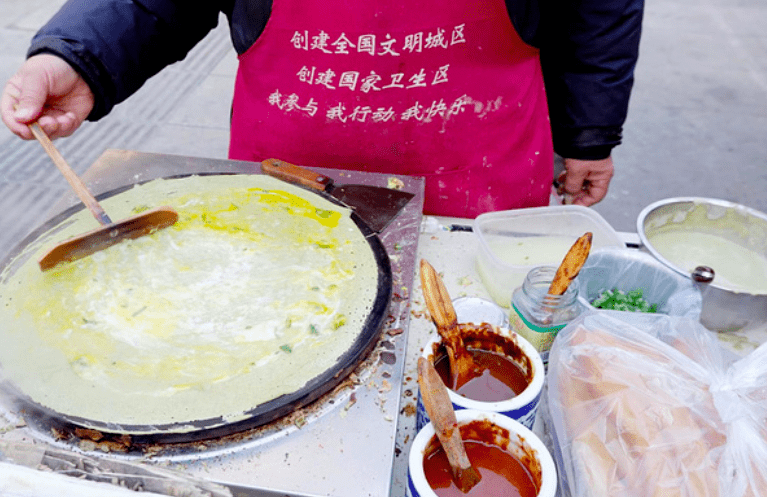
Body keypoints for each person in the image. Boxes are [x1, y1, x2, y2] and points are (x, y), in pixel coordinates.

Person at [1, 0, 643, 218]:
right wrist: (82, 55)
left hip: (478, 186)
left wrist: (589, 135)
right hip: (288, 175)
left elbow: (600, 11)